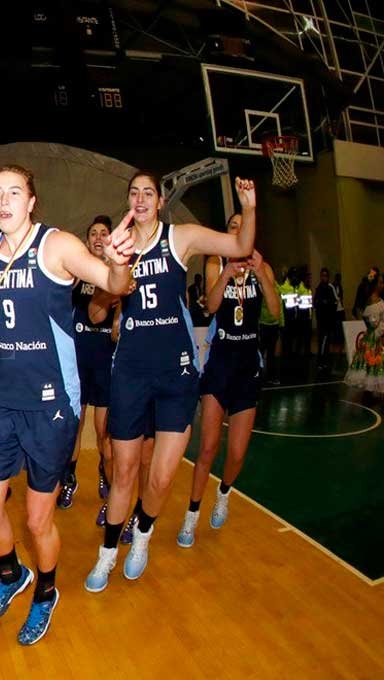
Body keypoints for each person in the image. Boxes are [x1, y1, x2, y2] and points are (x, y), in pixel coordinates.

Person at [0, 166, 134, 645]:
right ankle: (10, 575)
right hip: (1, 396)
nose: (4, 201)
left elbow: (113, 282)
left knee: (38, 518)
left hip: (50, 404)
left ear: (32, 201)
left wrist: (120, 262)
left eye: (14, 192)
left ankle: (45, 591)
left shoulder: (56, 245)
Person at [84, 173, 256, 593]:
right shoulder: (118, 249)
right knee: (123, 471)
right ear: (127, 201)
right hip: (130, 370)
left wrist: (249, 208)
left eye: (148, 193)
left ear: (159, 201)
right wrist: (114, 271)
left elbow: (240, 247)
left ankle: (142, 536)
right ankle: (106, 556)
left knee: (160, 479)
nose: (140, 199)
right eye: (133, 193)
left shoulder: (180, 237)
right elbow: (95, 314)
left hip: (176, 371)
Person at [177, 215, 279, 547]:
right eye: (232, 226)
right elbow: (211, 304)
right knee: (207, 447)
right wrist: (225, 274)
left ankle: (224, 493)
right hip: (219, 366)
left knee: (236, 454)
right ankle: (191, 515)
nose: (238, 230)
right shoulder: (215, 261)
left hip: (248, 368)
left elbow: (275, 311)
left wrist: (261, 272)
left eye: (242, 226)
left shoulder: (262, 266)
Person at [61, 216, 117, 518]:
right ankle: (69, 478)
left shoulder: (116, 274)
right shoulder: (75, 275)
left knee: (104, 432)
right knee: (75, 425)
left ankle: (105, 474)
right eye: (93, 233)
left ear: (109, 240)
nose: (98, 237)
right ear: (87, 241)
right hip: (78, 360)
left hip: (106, 360)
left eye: (103, 233)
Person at [345, 274, 384, 395]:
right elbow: (372, 322)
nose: (383, 285)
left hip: (376, 335)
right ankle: (371, 389)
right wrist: (379, 331)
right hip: (375, 337)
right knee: (372, 362)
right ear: (375, 285)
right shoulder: (372, 301)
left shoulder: (380, 300)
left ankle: (374, 390)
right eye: (381, 283)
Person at [314, 267, 339, 372]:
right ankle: (321, 361)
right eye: (322, 276)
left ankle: (325, 361)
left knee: (327, 342)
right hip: (322, 321)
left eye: (326, 276)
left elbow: (335, 302)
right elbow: (316, 304)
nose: (324, 278)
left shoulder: (330, 288)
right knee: (322, 342)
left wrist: (327, 304)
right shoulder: (319, 288)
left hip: (329, 321)